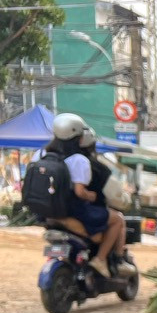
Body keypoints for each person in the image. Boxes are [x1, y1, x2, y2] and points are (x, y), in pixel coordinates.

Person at [38, 114, 131, 278]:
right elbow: (81, 192)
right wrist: (92, 196)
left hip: (46, 213)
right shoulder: (81, 161)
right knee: (117, 219)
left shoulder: (42, 155)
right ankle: (101, 259)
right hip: (75, 212)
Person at [74, 128, 135, 276]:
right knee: (118, 219)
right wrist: (126, 200)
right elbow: (116, 196)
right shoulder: (95, 167)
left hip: (63, 212)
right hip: (87, 214)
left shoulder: (64, 161)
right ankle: (104, 259)